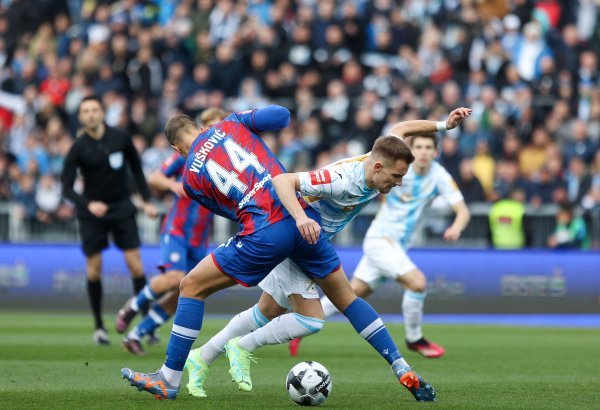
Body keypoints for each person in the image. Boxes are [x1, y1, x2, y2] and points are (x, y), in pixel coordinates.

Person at [120, 105, 436, 402]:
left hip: (266, 230)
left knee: (191, 286)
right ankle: (399, 366)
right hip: (304, 224)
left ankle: (170, 377)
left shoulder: (189, 178)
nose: (397, 182)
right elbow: (282, 115)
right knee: (343, 300)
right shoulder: (232, 123)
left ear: (177, 151)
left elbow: (227, 210)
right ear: (202, 126)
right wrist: (245, 121)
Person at [309, 129, 471, 358]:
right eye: (419, 147)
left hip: (399, 246)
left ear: (436, 152)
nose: (423, 152)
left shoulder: (440, 176)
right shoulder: (398, 171)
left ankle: (302, 323)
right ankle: (415, 338)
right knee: (417, 283)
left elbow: (463, 211)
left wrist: (456, 227)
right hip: (381, 240)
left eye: (428, 148)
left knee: (349, 295)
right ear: (411, 151)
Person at [116, 108, 227, 355]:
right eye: (209, 125)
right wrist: (172, 184)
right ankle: (132, 306)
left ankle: (136, 334)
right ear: (201, 128)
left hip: (200, 238)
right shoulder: (187, 155)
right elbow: (154, 178)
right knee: (176, 278)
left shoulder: (226, 159)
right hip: (177, 228)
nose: (213, 130)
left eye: (218, 125)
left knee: (187, 290)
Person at [61, 96, 157, 346]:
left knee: (136, 266)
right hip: (93, 214)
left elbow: (137, 170)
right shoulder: (78, 147)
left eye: (94, 110)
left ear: (102, 113)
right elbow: (66, 189)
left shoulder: (121, 138)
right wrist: (88, 204)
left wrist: (146, 200)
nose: (91, 114)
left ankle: (147, 325)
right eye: (85, 111)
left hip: (122, 208)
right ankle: (99, 327)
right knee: (94, 269)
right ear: (81, 117)